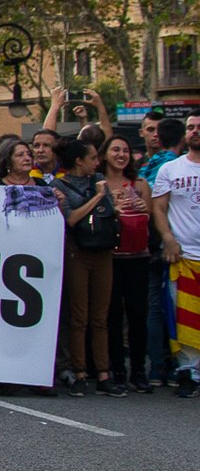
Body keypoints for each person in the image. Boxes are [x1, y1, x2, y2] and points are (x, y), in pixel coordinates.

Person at [53, 138, 121, 397]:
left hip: (103, 251)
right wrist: (100, 196)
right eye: (92, 157)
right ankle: (79, 371)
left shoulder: (99, 179)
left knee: (100, 316)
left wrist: (109, 198)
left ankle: (103, 372)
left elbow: (111, 212)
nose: (97, 162)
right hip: (77, 252)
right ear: (79, 161)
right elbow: (71, 218)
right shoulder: (60, 184)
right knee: (78, 315)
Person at [151, 113, 200, 397]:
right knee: (184, 319)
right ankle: (188, 373)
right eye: (191, 127)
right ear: (185, 134)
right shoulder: (170, 169)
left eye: (199, 127)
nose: (195, 132)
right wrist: (167, 237)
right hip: (182, 258)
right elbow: (158, 208)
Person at [100, 134, 152, 393]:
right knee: (112, 315)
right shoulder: (98, 184)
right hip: (110, 258)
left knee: (138, 315)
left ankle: (139, 371)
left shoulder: (140, 183)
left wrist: (144, 206)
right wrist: (112, 208)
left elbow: (150, 216)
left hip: (138, 257)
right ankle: (117, 370)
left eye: (125, 151)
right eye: (115, 150)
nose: (121, 155)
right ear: (105, 154)